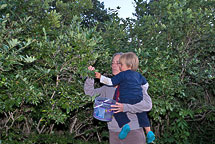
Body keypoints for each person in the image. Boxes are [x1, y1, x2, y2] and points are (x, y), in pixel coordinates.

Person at [84, 52, 153, 144]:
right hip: (114, 133)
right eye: (113, 63)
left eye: (118, 63)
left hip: (134, 132)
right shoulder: (107, 87)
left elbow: (147, 105)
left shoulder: (135, 85)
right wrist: (90, 76)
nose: (114, 65)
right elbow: (89, 94)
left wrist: (124, 107)